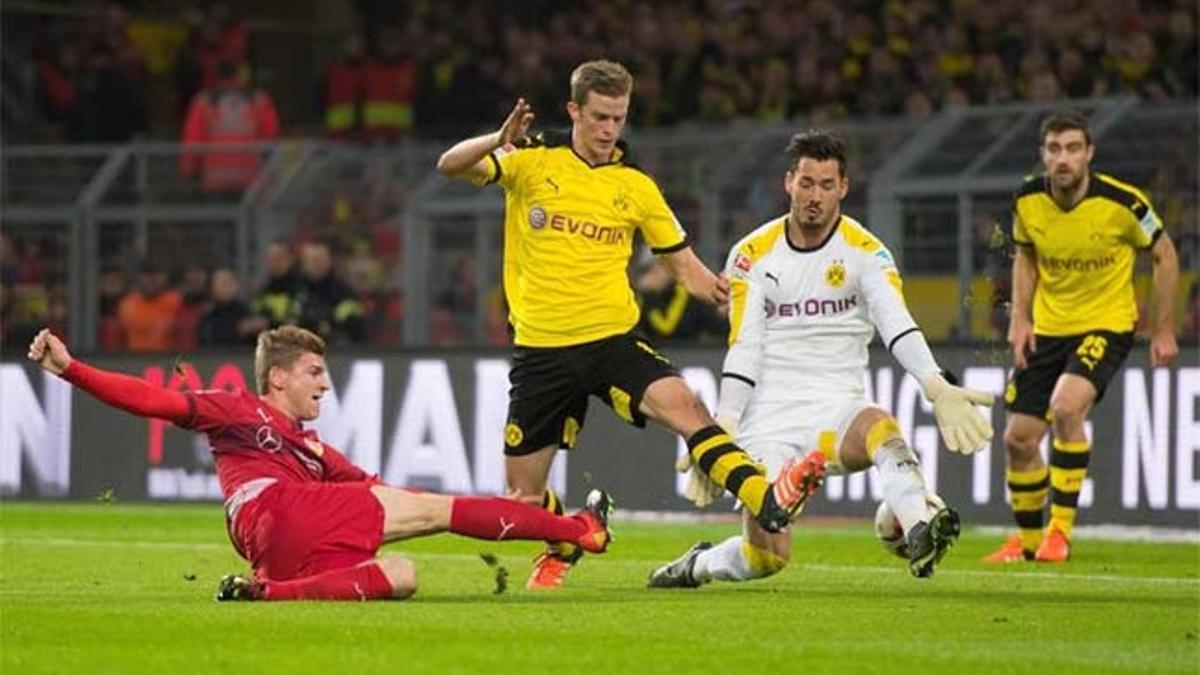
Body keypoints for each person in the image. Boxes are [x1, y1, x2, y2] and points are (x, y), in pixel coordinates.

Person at [435, 59, 824, 589]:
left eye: (618, 117)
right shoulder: (530, 161)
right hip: (541, 351)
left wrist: (725, 293)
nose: (608, 128)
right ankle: (575, 531)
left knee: (687, 408)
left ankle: (766, 497)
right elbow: (449, 166)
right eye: (598, 116)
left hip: (610, 340)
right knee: (522, 499)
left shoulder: (636, 186)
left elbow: (681, 263)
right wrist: (496, 139)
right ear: (574, 110)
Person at [26, 325, 612, 601]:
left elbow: (375, 489)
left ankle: (269, 594)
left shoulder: (313, 452)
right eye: (313, 372)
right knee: (441, 510)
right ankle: (576, 530)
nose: (325, 385)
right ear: (277, 377)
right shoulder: (234, 406)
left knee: (403, 576)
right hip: (273, 507)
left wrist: (385, 496)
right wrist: (72, 369)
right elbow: (153, 400)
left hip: (270, 549)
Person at [648, 131, 995, 588]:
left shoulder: (867, 252)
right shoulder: (752, 255)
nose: (815, 196)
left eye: (826, 185)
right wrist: (726, 424)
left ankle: (919, 527)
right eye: (807, 183)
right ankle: (698, 565)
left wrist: (935, 384)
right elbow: (745, 345)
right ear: (789, 182)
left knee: (881, 429)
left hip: (837, 409)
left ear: (844, 188)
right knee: (766, 557)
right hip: (767, 418)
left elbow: (896, 322)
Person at [984, 111, 1179, 564]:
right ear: (1043, 155)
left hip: (1106, 324)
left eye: (1073, 148)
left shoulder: (1123, 203)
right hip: (1049, 330)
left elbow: (1164, 254)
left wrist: (1163, 327)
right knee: (1018, 438)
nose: (1063, 158)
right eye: (1054, 149)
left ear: (1089, 153)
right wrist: (1020, 319)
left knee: (1067, 407)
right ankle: (1029, 544)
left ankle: (1059, 534)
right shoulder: (1028, 200)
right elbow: (1025, 256)